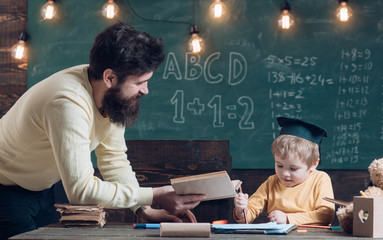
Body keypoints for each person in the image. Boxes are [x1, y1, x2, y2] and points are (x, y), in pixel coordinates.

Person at [0, 22, 206, 239]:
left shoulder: (111, 97)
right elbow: (82, 191)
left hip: (42, 191)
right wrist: (154, 195)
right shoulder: (67, 102)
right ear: (109, 78)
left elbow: (114, 160)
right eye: (140, 82)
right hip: (5, 191)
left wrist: (143, 209)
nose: (146, 90)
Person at [233, 117, 335, 225]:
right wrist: (241, 211)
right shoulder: (272, 182)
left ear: (314, 164)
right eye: (279, 165)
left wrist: (287, 218)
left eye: (293, 168)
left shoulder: (320, 179)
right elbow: (250, 213)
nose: (284, 173)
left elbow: (326, 215)